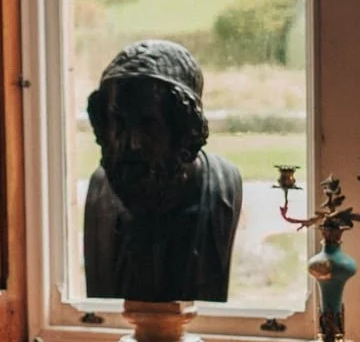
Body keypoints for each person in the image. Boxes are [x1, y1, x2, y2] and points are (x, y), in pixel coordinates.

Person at [83, 40, 242, 302]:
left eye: (148, 125)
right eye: (119, 123)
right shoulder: (101, 191)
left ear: (183, 130)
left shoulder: (221, 187)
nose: (132, 144)